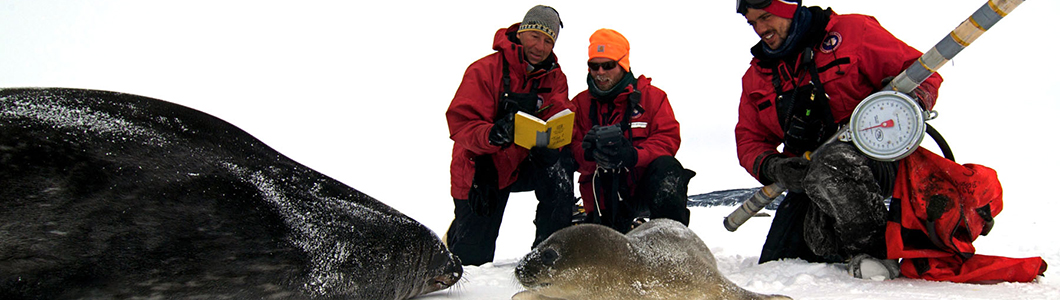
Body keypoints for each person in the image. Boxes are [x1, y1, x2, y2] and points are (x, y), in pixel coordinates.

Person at [734, 0, 943, 279]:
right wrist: (775, 166)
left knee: (833, 164)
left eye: (766, 17)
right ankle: (835, 244)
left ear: (789, 8)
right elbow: (749, 139)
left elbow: (922, 74)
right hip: (809, 176)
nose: (761, 29)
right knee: (777, 267)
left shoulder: (853, 32)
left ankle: (877, 253)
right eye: (753, 23)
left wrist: (908, 102)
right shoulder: (755, 78)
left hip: (876, 159)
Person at [444, 5, 576, 266]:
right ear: (522, 32)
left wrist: (553, 143)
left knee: (561, 165)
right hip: (480, 170)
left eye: (548, 40)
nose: (540, 46)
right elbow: (460, 124)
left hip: (524, 162)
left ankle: (548, 256)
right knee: (471, 263)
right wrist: (493, 133)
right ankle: (458, 234)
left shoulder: (555, 77)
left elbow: (562, 111)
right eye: (535, 36)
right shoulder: (484, 70)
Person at [571, 28, 695, 234]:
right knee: (606, 255)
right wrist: (587, 152)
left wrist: (633, 155)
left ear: (623, 64)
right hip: (602, 195)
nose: (600, 72)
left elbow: (667, 139)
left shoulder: (652, 98)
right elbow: (569, 147)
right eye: (594, 66)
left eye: (608, 65)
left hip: (642, 187)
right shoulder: (580, 104)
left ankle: (672, 245)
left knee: (667, 167)